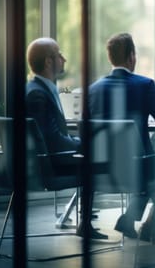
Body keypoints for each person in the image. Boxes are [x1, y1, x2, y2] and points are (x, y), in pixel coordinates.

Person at [88, 33, 155, 241]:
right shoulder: (144, 85)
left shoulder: (92, 90)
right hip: (137, 169)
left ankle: (130, 220)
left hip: (99, 170)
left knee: (151, 165)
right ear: (131, 57)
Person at [25, 37, 107, 240]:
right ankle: (85, 223)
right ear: (48, 62)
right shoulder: (37, 94)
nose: (64, 59)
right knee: (99, 161)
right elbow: (53, 142)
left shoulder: (37, 89)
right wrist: (85, 145)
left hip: (40, 160)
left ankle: (83, 218)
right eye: (59, 54)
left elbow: (52, 136)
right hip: (47, 166)